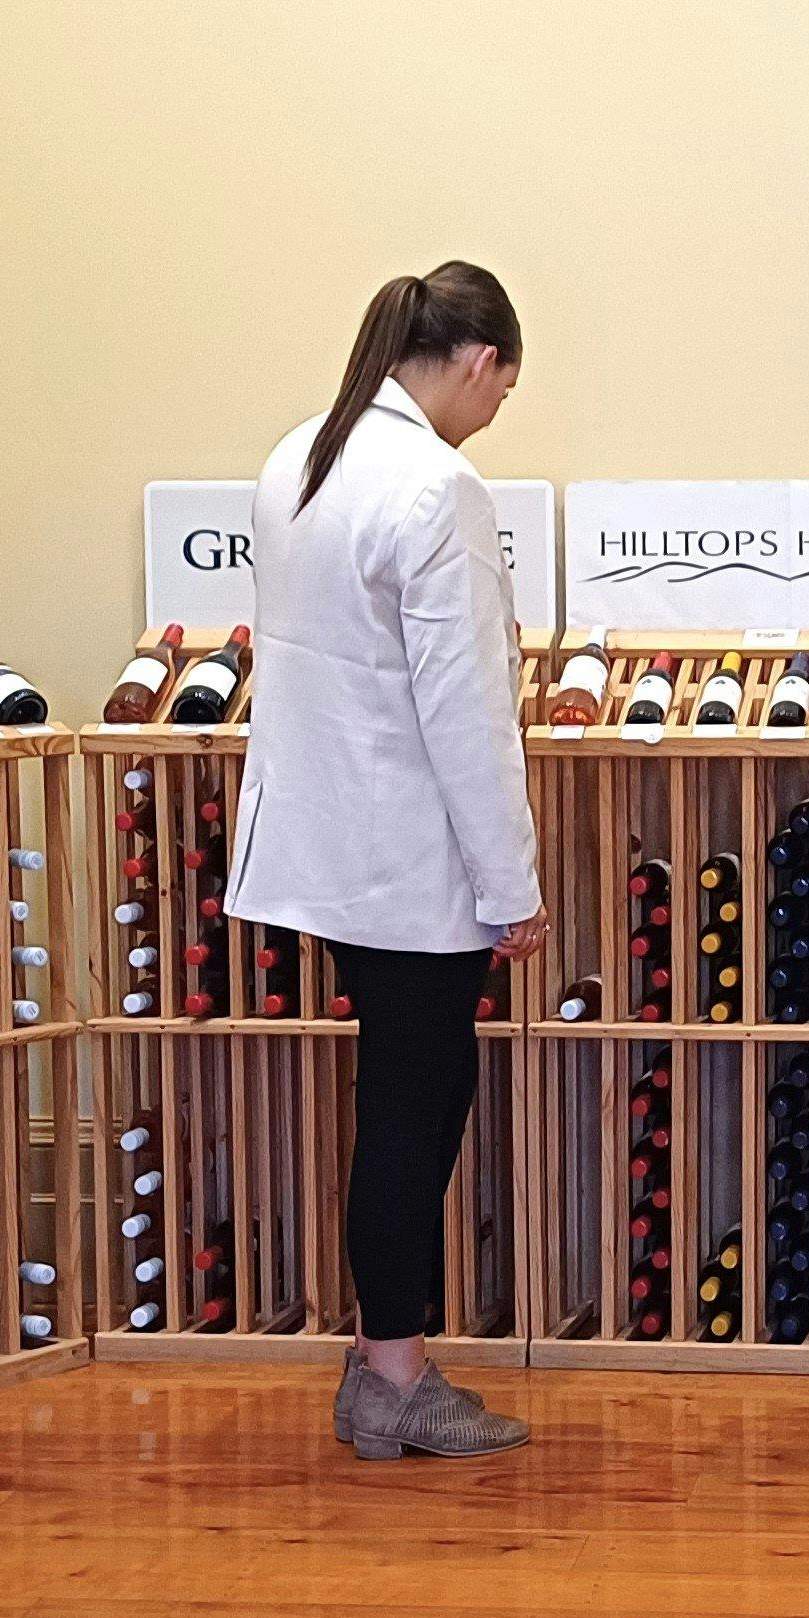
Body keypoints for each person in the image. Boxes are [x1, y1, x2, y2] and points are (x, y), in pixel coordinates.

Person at [229, 263, 543, 1460]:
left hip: (320, 840)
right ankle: (392, 1380)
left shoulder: (301, 451)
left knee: (394, 1107)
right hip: (410, 862)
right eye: (501, 390)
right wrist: (510, 890)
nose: (492, 412)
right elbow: (467, 713)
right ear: (474, 363)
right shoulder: (435, 486)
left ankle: (386, 1363)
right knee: (415, 1116)